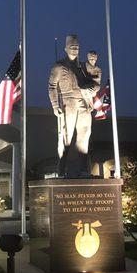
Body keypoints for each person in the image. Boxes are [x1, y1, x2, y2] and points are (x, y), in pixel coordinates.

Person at [48, 35, 100, 177]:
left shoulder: (84, 67)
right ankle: (61, 169)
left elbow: (96, 82)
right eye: (72, 47)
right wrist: (55, 105)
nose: (74, 50)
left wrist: (92, 88)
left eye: (77, 47)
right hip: (67, 102)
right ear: (65, 48)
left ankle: (83, 169)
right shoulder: (59, 66)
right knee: (66, 137)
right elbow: (52, 86)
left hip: (83, 102)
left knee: (84, 136)